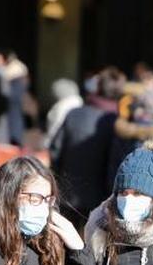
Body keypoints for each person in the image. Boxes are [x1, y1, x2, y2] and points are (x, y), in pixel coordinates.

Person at [50, 68, 126, 229]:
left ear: (97, 88)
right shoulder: (117, 122)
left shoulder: (74, 114)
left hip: (68, 194)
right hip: (101, 200)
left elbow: (55, 150)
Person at [0, 51, 30, 146]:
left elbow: (5, 77)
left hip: (14, 100)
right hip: (13, 100)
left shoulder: (17, 66)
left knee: (14, 122)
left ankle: (16, 140)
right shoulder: (17, 67)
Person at [45, 78, 83, 147]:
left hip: (61, 146)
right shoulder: (79, 102)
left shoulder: (62, 107)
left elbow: (54, 130)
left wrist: (46, 144)